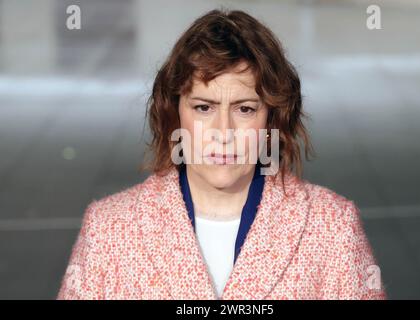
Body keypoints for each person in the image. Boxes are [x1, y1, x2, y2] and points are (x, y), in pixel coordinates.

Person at [57, 8, 386, 300]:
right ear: (174, 114)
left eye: (244, 109)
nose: (223, 132)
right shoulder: (108, 228)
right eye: (203, 107)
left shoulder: (332, 227)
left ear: (272, 118)